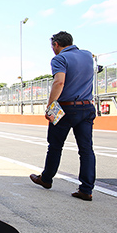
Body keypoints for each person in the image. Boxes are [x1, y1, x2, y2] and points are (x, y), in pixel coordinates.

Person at [29, 31, 96, 201]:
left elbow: (59, 82)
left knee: (55, 146)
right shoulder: (88, 55)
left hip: (65, 108)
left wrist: (51, 107)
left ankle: (46, 179)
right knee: (86, 150)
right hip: (87, 106)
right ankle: (86, 189)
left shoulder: (59, 59)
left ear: (56, 45)